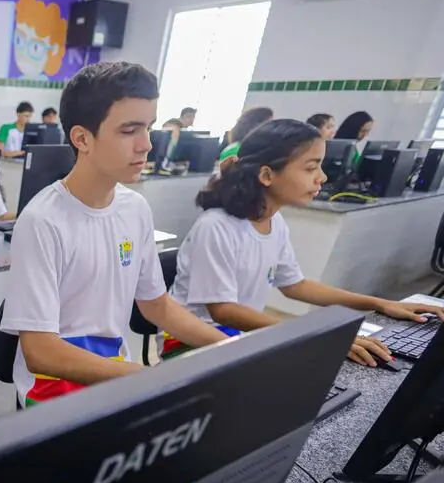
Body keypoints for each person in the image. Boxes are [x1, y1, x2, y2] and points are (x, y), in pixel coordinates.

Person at [0, 61, 229, 407]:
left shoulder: (135, 208)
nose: (146, 145)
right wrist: (147, 379)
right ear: (82, 138)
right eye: (129, 130)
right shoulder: (42, 221)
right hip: (51, 393)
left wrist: (230, 348)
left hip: (112, 376)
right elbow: (40, 352)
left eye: (149, 127)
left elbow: (157, 306)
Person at [168, 119, 444, 365]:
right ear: (267, 175)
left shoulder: (274, 222)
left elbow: (296, 285)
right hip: (187, 344)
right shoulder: (217, 226)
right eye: (311, 167)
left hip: (237, 335)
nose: (322, 177)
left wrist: (380, 304)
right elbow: (223, 310)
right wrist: (313, 337)